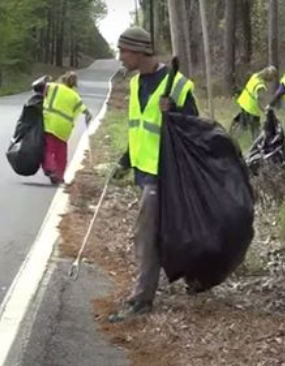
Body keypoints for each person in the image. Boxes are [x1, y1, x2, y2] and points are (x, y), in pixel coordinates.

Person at [107, 26, 199, 323]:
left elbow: (195, 130)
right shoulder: (135, 84)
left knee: (145, 233)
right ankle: (188, 276)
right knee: (160, 232)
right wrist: (125, 160)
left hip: (166, 172)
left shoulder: (178, 85)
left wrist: (174, 112)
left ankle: (141, 299)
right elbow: (139, 128)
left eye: (124, 51)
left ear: (139, 51)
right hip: (144, 170)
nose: (120, 57)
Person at [41, 71, 93, 185]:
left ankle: (51, 170)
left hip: (49, 123)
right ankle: (59, 176)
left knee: (47, 149)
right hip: (64, 128)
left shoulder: (52, 87)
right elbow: (85, 111)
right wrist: (89, 117)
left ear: (62, 79)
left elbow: (38, 89)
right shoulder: (75, 96)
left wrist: (45, 80)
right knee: (61, 154)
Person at [233, 65, 278, 141]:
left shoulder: (255, 76)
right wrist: (265, 110)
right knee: (256, 130)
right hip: (251, 109)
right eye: (272, 78)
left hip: (244, 103)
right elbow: (260, 100)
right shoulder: (260, 86)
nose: (271, 80)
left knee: (242, 125)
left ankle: (233, 139)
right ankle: (257, 145)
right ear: (269, 76)